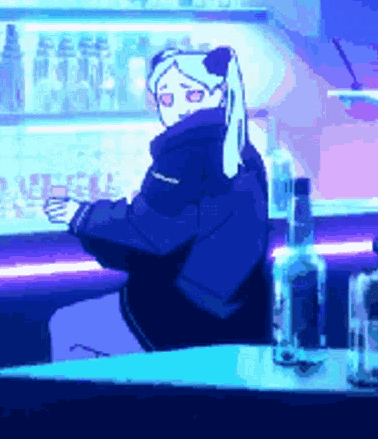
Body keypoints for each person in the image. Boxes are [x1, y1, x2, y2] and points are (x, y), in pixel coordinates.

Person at [45, 45, 270, 360]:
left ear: (218, 94)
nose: (179, 108)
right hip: (240, 312)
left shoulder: (185, 154)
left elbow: (145, 234)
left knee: (68, 325)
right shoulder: (238, 148)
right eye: (167, 99)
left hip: (187, 316)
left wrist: (80, 214)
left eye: (192, 94)